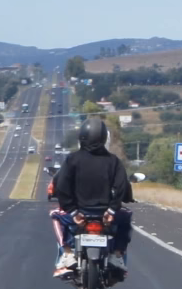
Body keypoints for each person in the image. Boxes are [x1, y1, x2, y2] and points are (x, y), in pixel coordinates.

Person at [50, 117, 133, 276]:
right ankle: (117, 255)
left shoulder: (72, 159)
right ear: (104, 138)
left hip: (80, 212)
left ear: (81, 137)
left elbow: (62, 186)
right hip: (106, 214)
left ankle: (67, 253)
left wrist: (73, 211)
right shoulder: (113, 161)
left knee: (55, 216)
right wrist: (112, 210)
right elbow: (121, 186)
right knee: (126, 218)